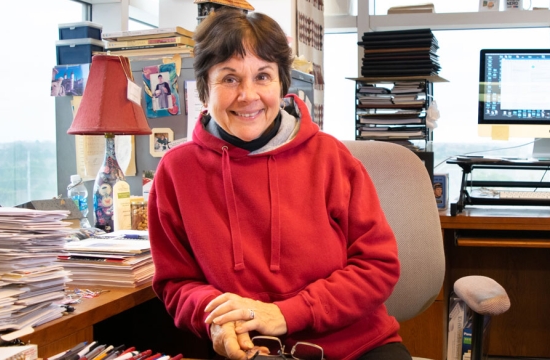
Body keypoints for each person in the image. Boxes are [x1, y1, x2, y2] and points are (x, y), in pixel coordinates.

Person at [147, 9, 410, 360]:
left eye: (263, 76)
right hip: (247, 351)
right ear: (205, 86)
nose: (248, 95)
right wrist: (213, 316)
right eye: (229, 79)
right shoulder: (176, 171)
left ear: (282, 84)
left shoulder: (330, 158)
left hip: (354, 346)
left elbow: (378, 266)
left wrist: (287, 314)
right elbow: (175, 283)